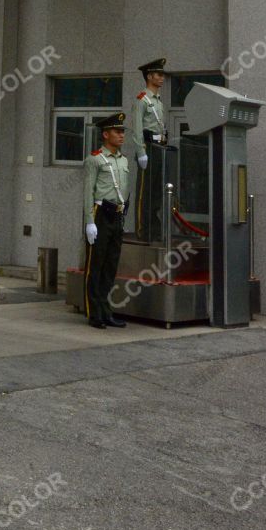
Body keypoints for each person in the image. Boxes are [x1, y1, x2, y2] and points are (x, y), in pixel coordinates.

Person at [83, 112, 131, 329]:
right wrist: (89, 221)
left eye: (122, 132)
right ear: (105, 134)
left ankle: (106, 310)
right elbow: (88, 192)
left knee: (110, 266)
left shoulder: (123, 160)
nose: (121, 135)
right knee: (96, 265)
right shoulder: (95, 159)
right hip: (100, 214)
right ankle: (94, 313)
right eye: (117, 131)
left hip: (118, 214)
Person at [131, 58, 168, 240]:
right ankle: (142, 229)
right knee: (144, 193)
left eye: (163, 75)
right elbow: (137, 129)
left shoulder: (159, 101)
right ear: (149, 76)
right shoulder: (142, 100)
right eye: (159, 74)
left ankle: (154, 228)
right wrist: (141, 153)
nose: (162, 78)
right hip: (148, 148)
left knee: (156, 191)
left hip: (159, 147)